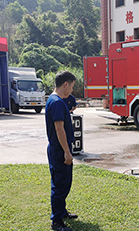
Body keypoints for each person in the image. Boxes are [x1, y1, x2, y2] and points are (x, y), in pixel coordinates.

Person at [45, 71, 78, 231]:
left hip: (58, 148)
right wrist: (67, 151)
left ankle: (61, 211)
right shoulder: (57, 102)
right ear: (66, 84)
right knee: (60, 184)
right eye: (71, 86)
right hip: (59, 149)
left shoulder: (55, 100)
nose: (71, 90)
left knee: (63, 182)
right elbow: (60, 130)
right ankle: (56, 221)